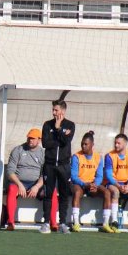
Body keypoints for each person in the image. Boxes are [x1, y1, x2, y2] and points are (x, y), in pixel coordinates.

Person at [5, 128, 58, 231]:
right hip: (19, 182)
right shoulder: (18, 150)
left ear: (39, 140)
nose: (30, 140)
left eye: (33, 138)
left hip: (37, 183)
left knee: (53, 191)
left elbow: (46, 173)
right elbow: (10, 171)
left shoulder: (43, 153)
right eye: (29, 138)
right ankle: (10, 222)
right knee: (11, 189)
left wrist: (37, 186)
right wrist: (19, 185)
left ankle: (53, 223)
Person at [40, 99, 75, 234]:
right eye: (53, 110)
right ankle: (46, 223)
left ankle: (63, 223)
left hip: (64, 166)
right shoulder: (47, 125)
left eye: (56, 110)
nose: (54, 112)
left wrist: (59, 128)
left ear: (63, 111)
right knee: (48, 194)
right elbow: (45, 143)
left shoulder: (70, 125)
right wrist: (59, 137)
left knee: (64, 194)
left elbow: (66, 142)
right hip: (49, 165)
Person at [70, 131, 111, 233]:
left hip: (92, 184)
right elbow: (74, 176)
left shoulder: (98, 157)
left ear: (92, 145)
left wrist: (95, 185)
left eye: (86, 144)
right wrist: (85, 184)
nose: (83, 146)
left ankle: (106, 223)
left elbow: (100, 176)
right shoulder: (76, 156)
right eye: (82, 144)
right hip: (79, 183)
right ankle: (75, 222)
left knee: (107, 192)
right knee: (77, 192)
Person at [104, 133, 128, 233]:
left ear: (125, 144)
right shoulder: (109, 156)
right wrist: (119, 186)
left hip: (127, 184)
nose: (116, 145)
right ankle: (114, 221)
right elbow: (109, 176)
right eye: (115, 143)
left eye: (118, 143)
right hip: (114, 183)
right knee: (115, 192)